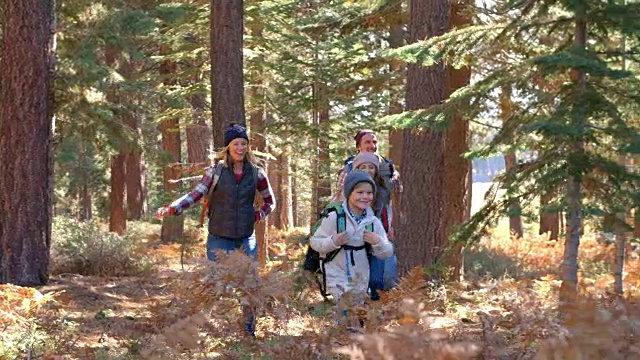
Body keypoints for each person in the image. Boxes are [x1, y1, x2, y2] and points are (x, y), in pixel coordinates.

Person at [156, 123, 275, 336]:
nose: (240, 148)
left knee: (250, 286)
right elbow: (196, 194)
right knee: (215, 286)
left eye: (244, 144)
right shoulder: (216, 172)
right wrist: (172, 209)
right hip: (219, 238)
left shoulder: (257, 173)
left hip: (246, 240)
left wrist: (255, 216)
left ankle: (248, 331)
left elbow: (270, 202)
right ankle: (212, 331)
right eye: (236, 144)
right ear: (228, 147)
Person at [310, 171, 393, 315]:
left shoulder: (373, 222)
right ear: (349, 193)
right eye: (360, 192)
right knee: (344, 307)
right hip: (335, 271)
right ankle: (342, 333)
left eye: (369, 193)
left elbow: (387, 251)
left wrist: (378, 242)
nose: (365, 197)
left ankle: (351, 335)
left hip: (361, 273)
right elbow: (315, 242)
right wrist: (333, 242)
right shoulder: (335, 217)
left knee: (357, 311)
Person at [351, 152, 398, 300]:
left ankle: (376, 309)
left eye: (371, 167)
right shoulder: (348, 188)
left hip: (377, 237)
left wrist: (388, 229)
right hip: (355, 240)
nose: (367, 170)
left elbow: (387, 211)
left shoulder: (383, 190)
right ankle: (360, 312)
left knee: (377, 279)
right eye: (362, 167)